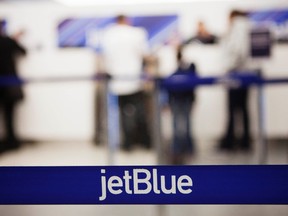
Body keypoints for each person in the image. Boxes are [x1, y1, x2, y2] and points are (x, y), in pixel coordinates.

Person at [101, 15, 151, 151]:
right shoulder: (137, 33)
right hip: (134, 81)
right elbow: (144, 54)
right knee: (140, 112)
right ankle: (145, 142)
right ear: (127, 20)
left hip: (117, 82)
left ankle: (127, 144)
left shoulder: (108, 35)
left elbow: (106, 58)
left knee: (123, 115)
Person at [219, 10, 253, 151]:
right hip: (241, 73)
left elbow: (238, 51)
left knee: (234, 109)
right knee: (242, 109)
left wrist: (229, 66)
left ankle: (232, 140)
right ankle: (242, 140)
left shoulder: (239, 28)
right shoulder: (243, 28)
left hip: (236, 74)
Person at [166, 45, 197, 164]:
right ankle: (177, 150)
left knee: (186, 124)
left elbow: (193, 81)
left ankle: (187, 149)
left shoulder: (189, 64)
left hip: (185, 97)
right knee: (176, 125)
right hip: (175, 97)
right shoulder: (171, 64)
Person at [0, 20, 27, 153]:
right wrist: (15, 39)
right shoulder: (8, 41)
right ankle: (12, 141)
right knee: (9, 116)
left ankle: (9, 141)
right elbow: (23, 51)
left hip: (7, 85)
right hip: (9, 85)